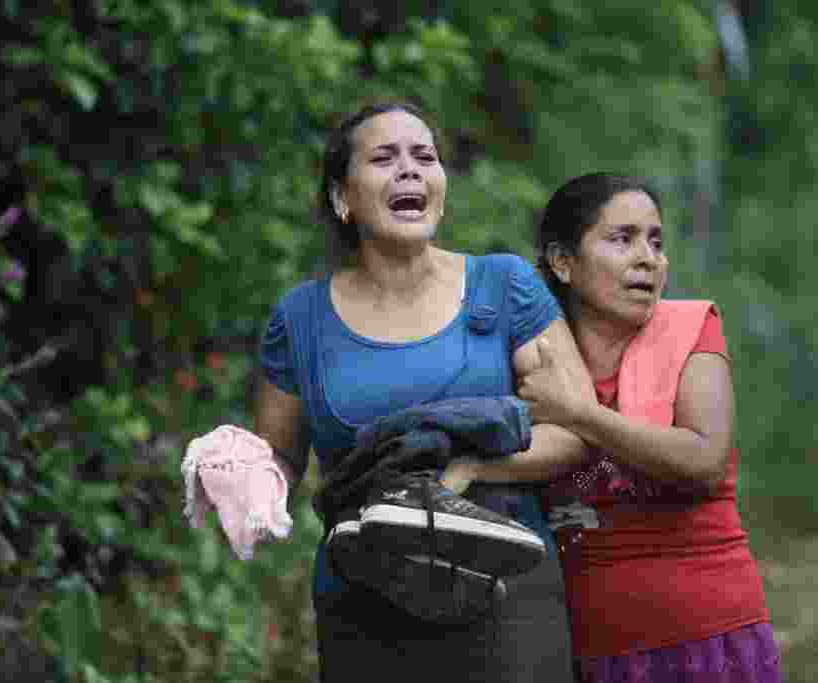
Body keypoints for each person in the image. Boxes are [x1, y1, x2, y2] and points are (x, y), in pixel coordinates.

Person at [253, 102, 590, 682]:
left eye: (424, 157)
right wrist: (243, 479)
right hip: (364, 602)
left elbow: (577, 429)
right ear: (342, 197)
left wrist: (465, 470)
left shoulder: (506, 286)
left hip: (505, 596)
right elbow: (277, 456)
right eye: (384, 158)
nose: (409, 169)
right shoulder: (299, 319)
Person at [441, 173, 782, 682]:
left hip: (708, 637)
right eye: (622, 239)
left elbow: (703, 463)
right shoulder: (532, 359)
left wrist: (579, 414)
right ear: (562, 263)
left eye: (656, 242)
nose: (648, 257)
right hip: (578, 647)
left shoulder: (691, 330)